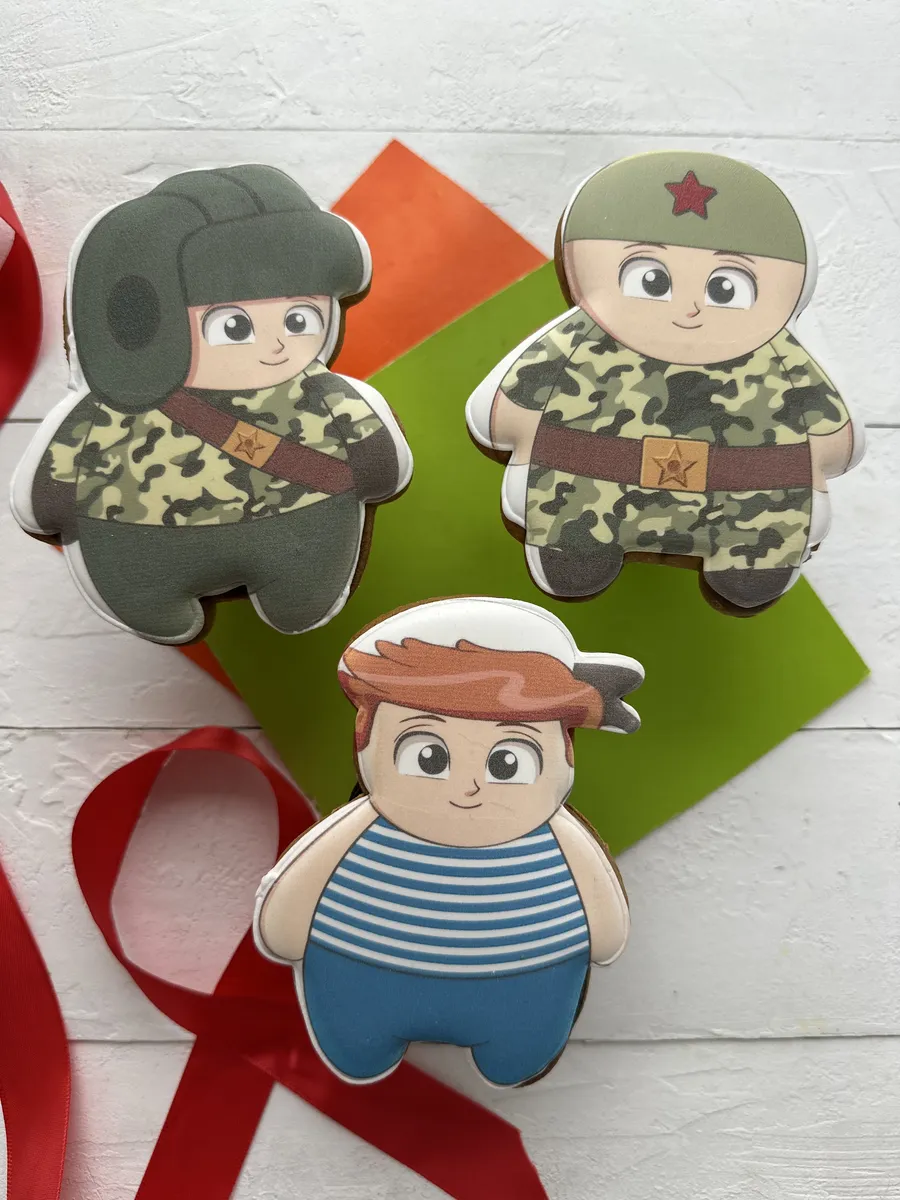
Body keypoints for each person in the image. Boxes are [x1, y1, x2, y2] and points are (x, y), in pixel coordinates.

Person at [11, 165, 412, 642]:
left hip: (305, 520)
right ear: (149, 325)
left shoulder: (318, 393)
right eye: (235, 326)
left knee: (305, 588)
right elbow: (57, 483)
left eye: (299, 318)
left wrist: (373, 464)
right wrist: (53, 499)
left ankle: (299, 595)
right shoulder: (117, 409)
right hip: (139, 532)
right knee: (141, 585)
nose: (276, 347)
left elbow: (375, 459)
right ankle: (153, 602)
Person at [254, 596, 642, 1087]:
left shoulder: (559, 835)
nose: (469, 788)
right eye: (429, 756)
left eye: (507, 762)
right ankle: (361, 1045)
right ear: (369, 740)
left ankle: (514, 1051)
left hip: (525, 981)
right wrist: (285, 925)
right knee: (358, 1039)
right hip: (360, 969)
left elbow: (604, 925)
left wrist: (604, 932)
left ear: (561, 756)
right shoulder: (358, 826)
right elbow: (296, 901)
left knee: (519, 1047)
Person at [467, 151, 864, 612]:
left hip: (744, 500)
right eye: (653, 281)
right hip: (591, 491)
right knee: (576, 529)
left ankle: (750, 566)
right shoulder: (582, 339)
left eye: (724, 288)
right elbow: (512, 401)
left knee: (756, 547)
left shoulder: (781, 358)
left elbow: (833, 435)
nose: (690, 309)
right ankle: (576, 553)